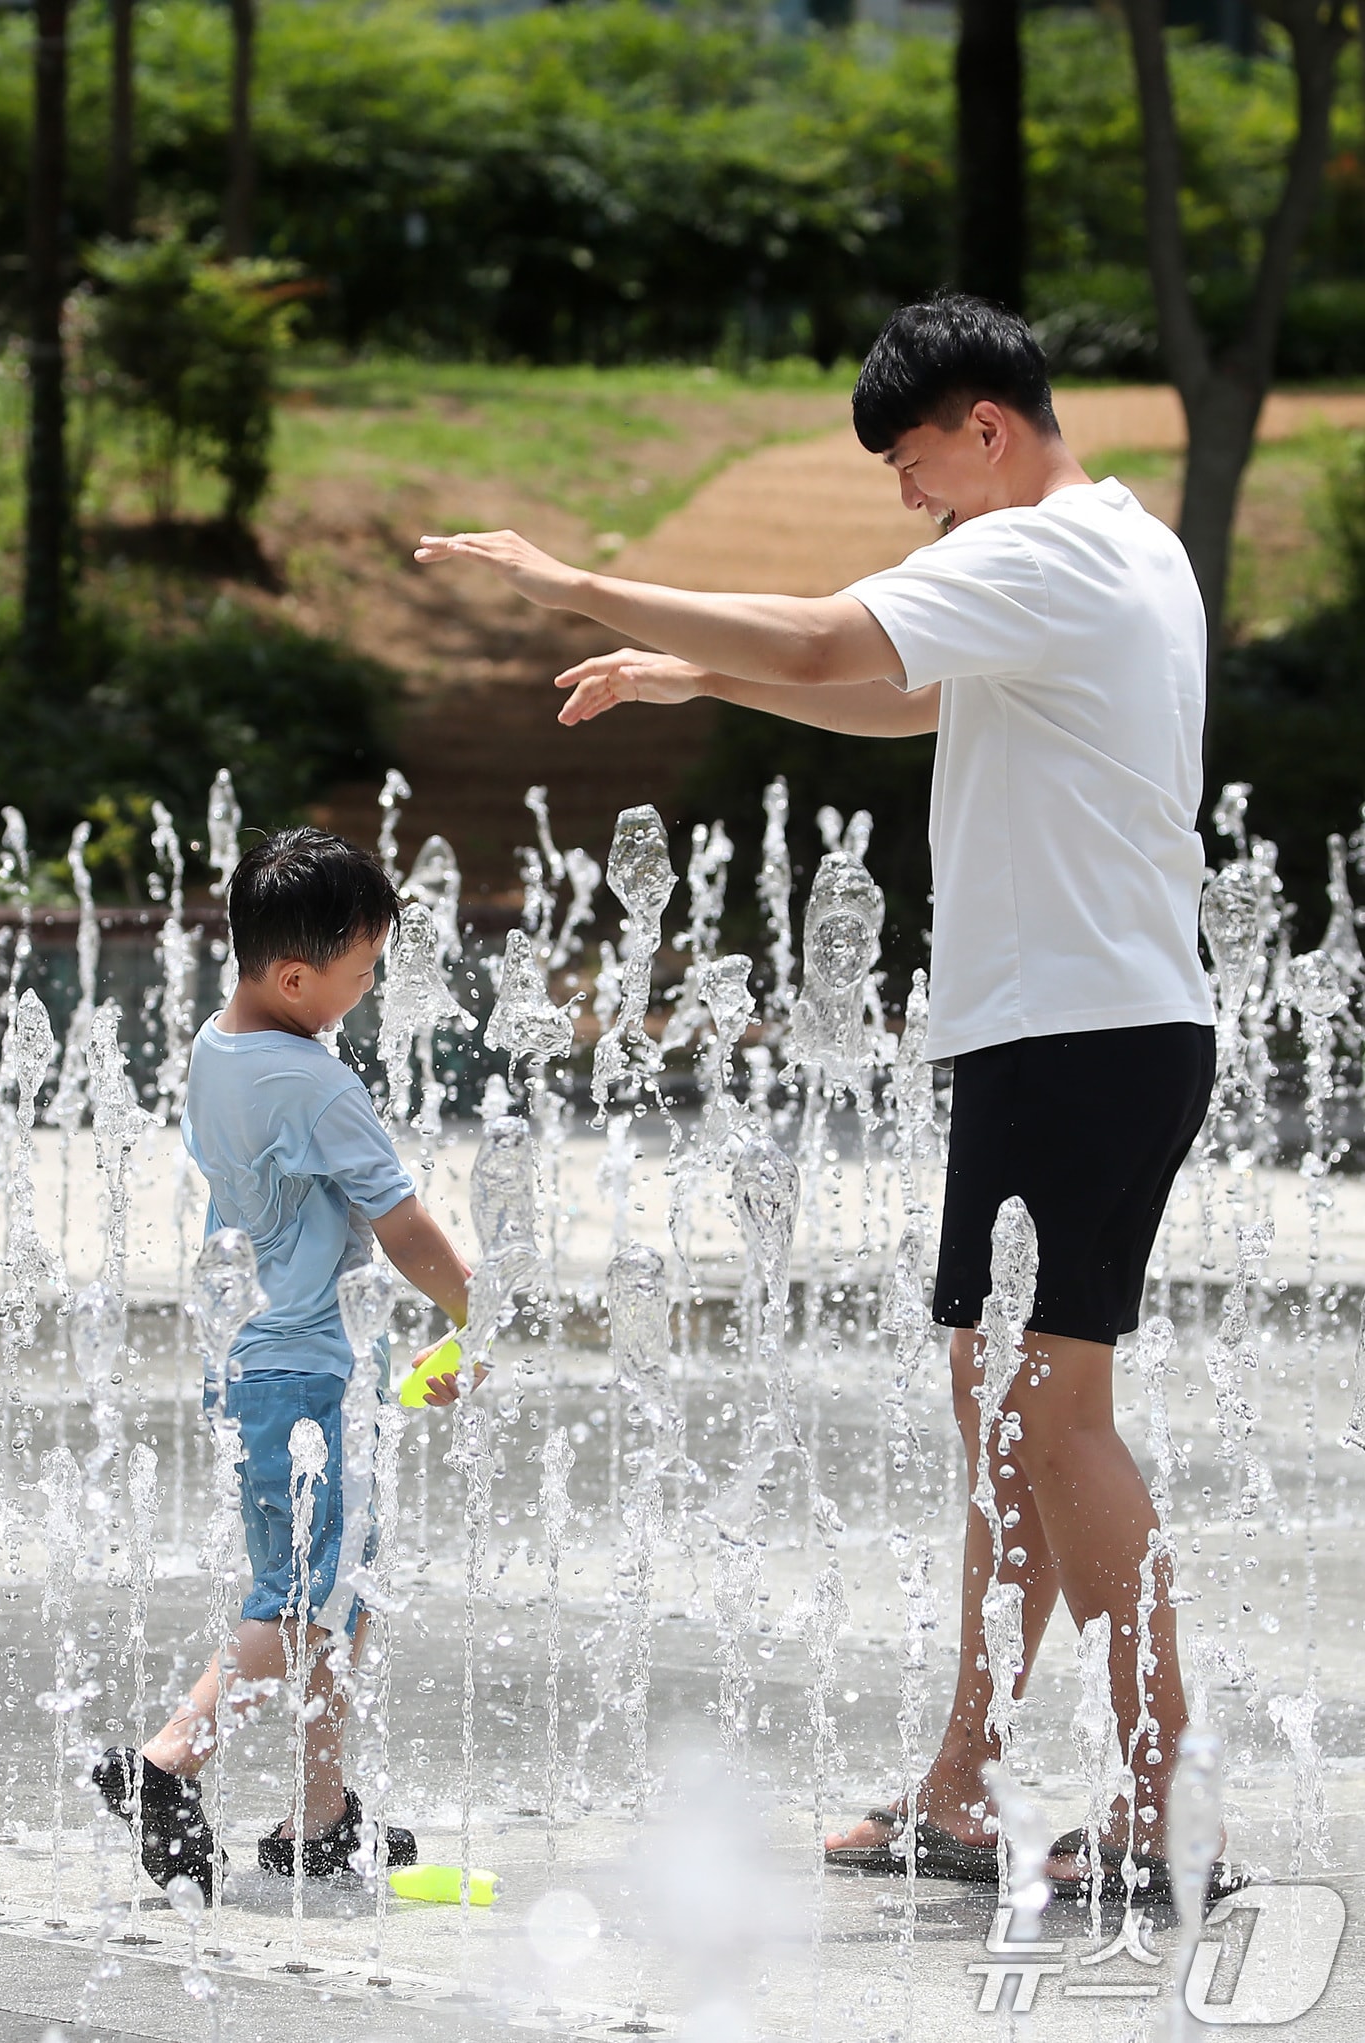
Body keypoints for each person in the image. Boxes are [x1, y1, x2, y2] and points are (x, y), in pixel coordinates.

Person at [412, 294, 1230, 1903]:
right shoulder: (1125, 545)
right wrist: (690, 674)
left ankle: (1162, 1800)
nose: (909, 500)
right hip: (1079, 1029)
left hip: (1077, 1033)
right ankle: (965, 1785)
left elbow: (821, 635)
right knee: (1006, 1428)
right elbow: (902, 691)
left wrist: (575, 581)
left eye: (917, 465)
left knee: (1054, 1421)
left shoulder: (1046, 550)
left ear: (986, 428)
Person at [94, 827, 476, 1898]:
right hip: (306, 1374)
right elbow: (401, 1228)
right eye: (360, 976)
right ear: (298, 974)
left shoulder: (219, 1048)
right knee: (304, 1594)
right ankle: (168, 1763)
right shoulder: (313, 1082)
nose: (365, 994)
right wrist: (475, 1323)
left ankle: (318, 1816)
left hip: (261, 1366)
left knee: (332, 1594)